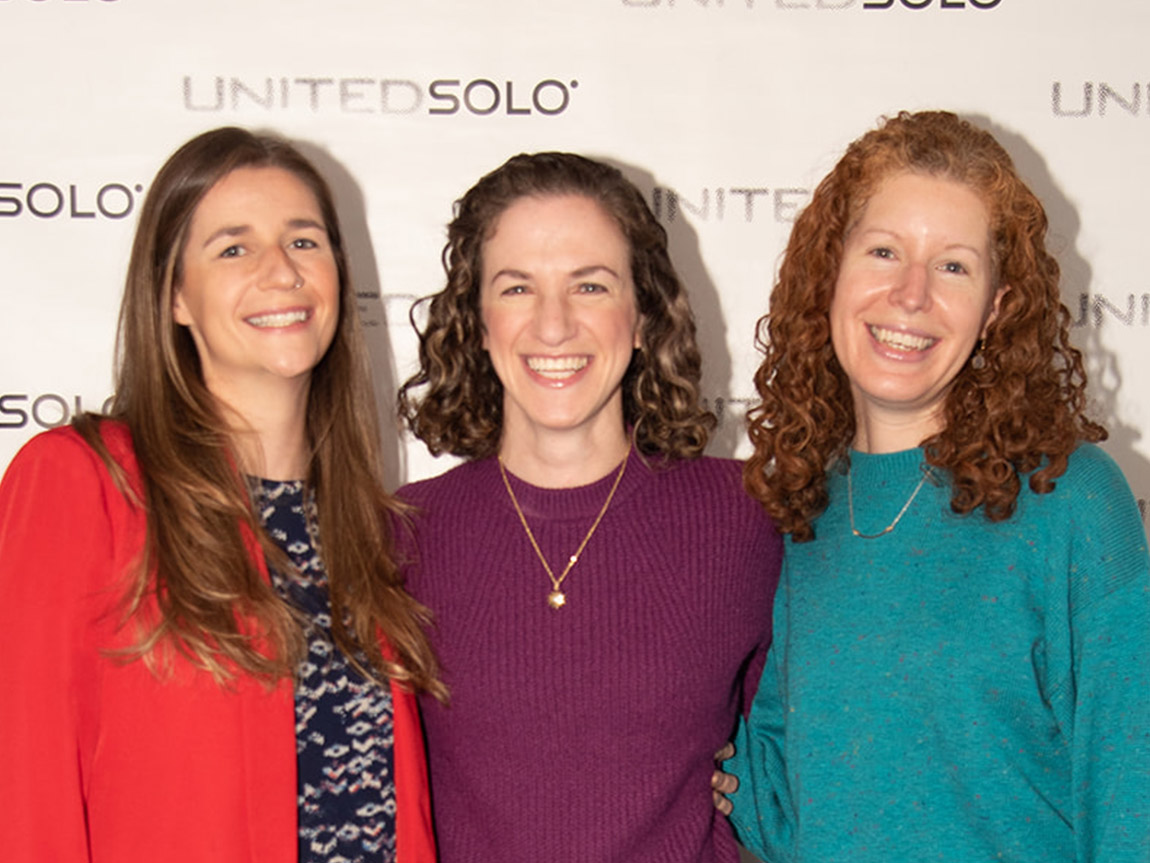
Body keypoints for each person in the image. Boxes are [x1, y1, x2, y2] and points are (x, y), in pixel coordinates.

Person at [714, 110, 1150, 861]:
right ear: (831, 273)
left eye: (953, 266)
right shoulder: (800, 505)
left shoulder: (1068, 499)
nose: (910, 294)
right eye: (883, 251)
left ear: (999, 306)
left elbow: (1131, 801)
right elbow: (793, 799)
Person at [0, 127, 443, 862]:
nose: (281, 272)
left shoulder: (363, 523)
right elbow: (22, 792)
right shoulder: (83, 481)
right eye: (233, 248)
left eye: (304, 241)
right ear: (175, 295)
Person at [396, 151, 782, 862]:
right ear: (477, 322)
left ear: (643, 316)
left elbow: (805, 753)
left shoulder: (747, 520)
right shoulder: (400, 537)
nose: (553, 326)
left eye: (591, 286)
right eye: (517, 289)